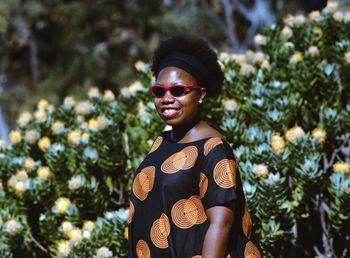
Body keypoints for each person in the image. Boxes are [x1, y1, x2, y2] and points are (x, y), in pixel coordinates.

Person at [128, 35, 260, 258]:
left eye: (178, 90)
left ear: (201, 95)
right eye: (159, 91)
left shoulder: (213, 149)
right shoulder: (162, 142)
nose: (167, 98)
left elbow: (222, 223)